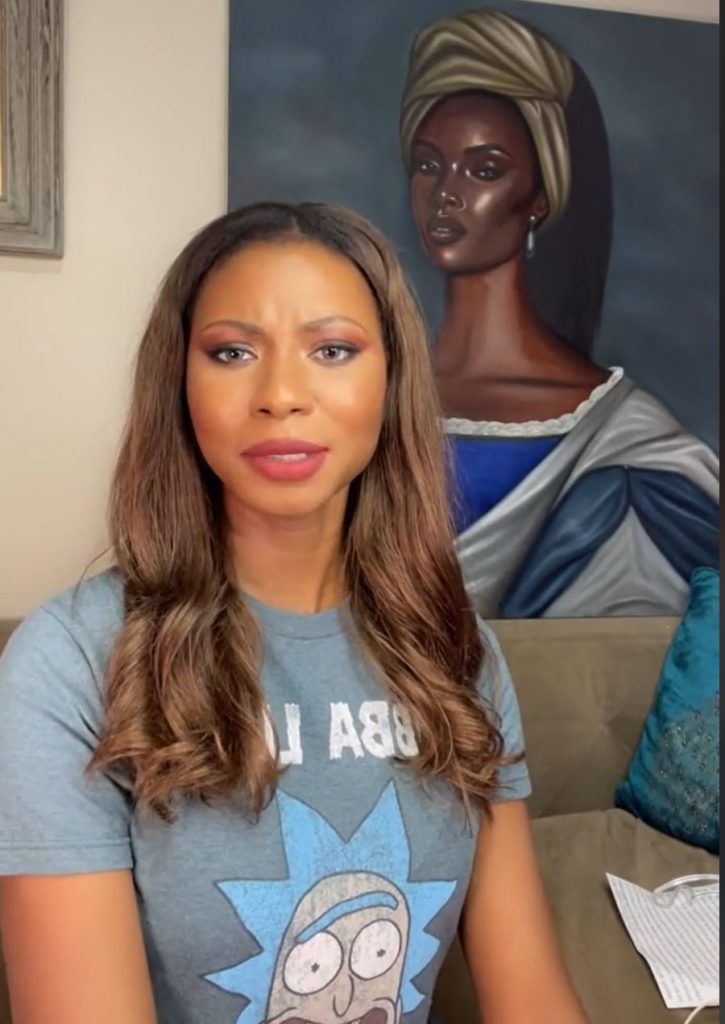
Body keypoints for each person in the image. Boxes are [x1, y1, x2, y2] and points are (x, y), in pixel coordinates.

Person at [0, 202, 587, 1023]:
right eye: (232, 351)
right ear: (180, 383)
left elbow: (531, 997)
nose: (280, 394)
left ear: (388, 382)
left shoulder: (459, 655)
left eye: (333, 349)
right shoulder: (68, 662)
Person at [400, 9, 719, 619]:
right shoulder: (364, 398)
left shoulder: (630, 448)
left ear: (540, 199)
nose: (446, 192)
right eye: (428, 164)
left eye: (485, 170)